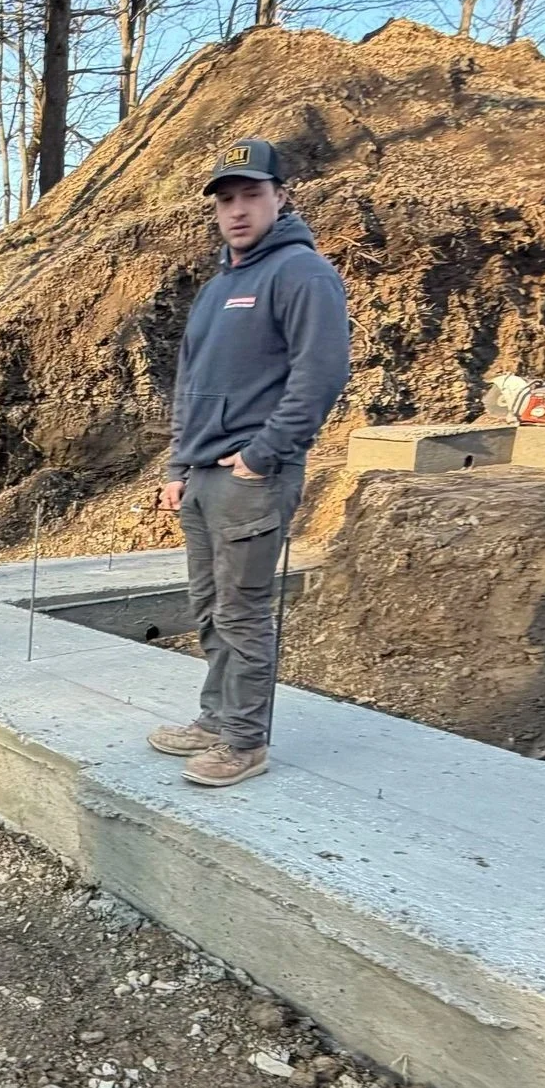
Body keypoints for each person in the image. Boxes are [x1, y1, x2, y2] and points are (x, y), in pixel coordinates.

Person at [149, 137, 351, 787]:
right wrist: (177, 466)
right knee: (208, 608)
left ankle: (243, 741)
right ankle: (213, 719)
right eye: (225, 199)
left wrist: (262, 456)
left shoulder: (301, 273)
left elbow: (319, 374)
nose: (237, 210)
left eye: (251, 195)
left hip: (250, 478)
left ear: (280, 196)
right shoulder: (216, 289)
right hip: (202, 477)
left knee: (242, 611)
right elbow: (188, 380)